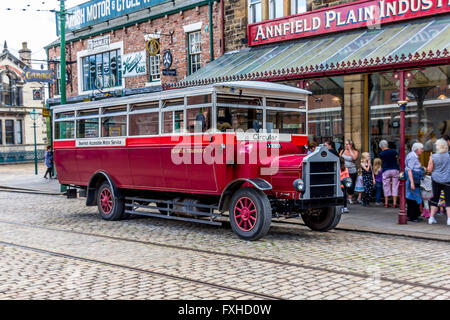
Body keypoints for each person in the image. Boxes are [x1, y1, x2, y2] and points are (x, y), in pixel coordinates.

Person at [426, 139, 450, 225]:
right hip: (448, 179)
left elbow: (429, 169)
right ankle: (449, 219)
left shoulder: (433, 156)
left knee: (434, 199)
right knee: (448, 200)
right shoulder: (449, 155)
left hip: (436, 179)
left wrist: (430, 159)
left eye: (436, 145)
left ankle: (431, 218)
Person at [405, 142, 425, 222]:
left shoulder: (412, 155)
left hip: (413, 177)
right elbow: (409, 169)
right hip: (413, 178)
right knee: (413, 197)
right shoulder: (413, 156)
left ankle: (413, 215)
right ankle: (413, 217)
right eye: (422, 149)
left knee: (412, 197)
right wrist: (412, 182)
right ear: (417, 149)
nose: (423, 151)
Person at [378, 140, 400, 208]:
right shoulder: (394, 151)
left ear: (381, 147)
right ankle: (394, 203)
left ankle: (386, 203)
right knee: (395, 186)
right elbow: (397, 158)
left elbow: (381, 161)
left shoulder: (381, 154)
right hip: (394, 169)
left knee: (386, 186)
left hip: (386, 170)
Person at [339, 139, 359, 204]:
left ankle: (350, 198)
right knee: (343, 184)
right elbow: (339, 159)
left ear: (351, 145)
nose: (346, 145)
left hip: (352, 170)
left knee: (350, 185)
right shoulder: (343, 151)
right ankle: (344, 197)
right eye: (345, 144)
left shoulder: (355, 151)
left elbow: (354, 158)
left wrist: (350, 150)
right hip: (343, 170)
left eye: (347, 144)